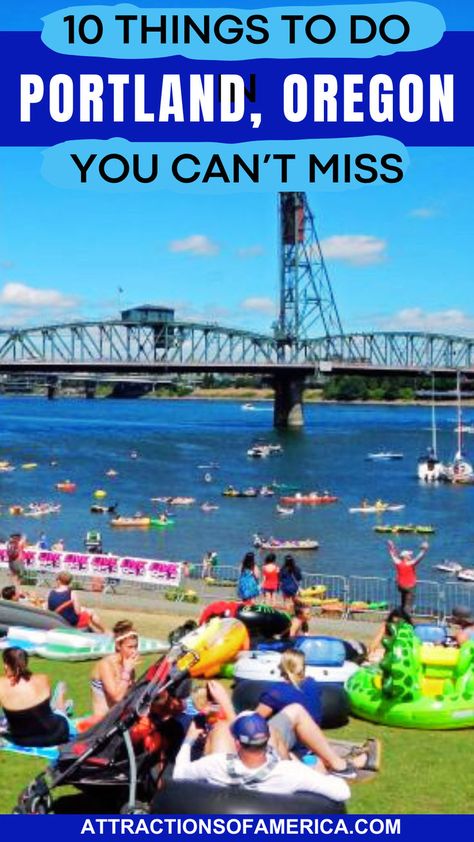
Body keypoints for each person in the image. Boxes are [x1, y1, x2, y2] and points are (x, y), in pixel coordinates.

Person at [173, 711, 351, 802]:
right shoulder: (291, 772)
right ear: (267, 741)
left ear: (236, 744)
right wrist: (321, 773)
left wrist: (188, 740)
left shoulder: (215, 765)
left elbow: (179, 775)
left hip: (224, 800)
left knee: (220, 728)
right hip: (277, 793)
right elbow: (343, 792)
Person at [0, 647, 73, 747]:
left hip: (24, 740)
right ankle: (60, 696)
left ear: (6, 665)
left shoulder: (1, 684)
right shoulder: (43, 679)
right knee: (55, 712)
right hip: (56, 735)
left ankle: (60, 698)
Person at [255, 649, 323, 729]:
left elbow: (255, 720)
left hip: (289, 739)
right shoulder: (313, 684)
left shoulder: (277, 692)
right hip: (314, 737)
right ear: (303, 666)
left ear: (282, 666)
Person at [90, 620, 140, 717]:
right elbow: (116, 697)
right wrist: (126, 672)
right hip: (101, 724)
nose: (134, 651)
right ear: (118, 646)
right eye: (130, 647)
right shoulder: (105, 665)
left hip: (118, 720)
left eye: (136, 647)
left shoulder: (128, 664)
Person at [387, 539, 429, 612]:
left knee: (403, 602)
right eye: (409, 555)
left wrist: (391, 545)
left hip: (400, 586)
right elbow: (419, 557)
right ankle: (405, 619)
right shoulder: (410, 564)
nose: (411, 556)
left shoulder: (398, 562)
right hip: (410, 586)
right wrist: (424, 549)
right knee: (408, 604)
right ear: (405, 557)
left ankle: (401, 615)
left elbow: (392, 554)